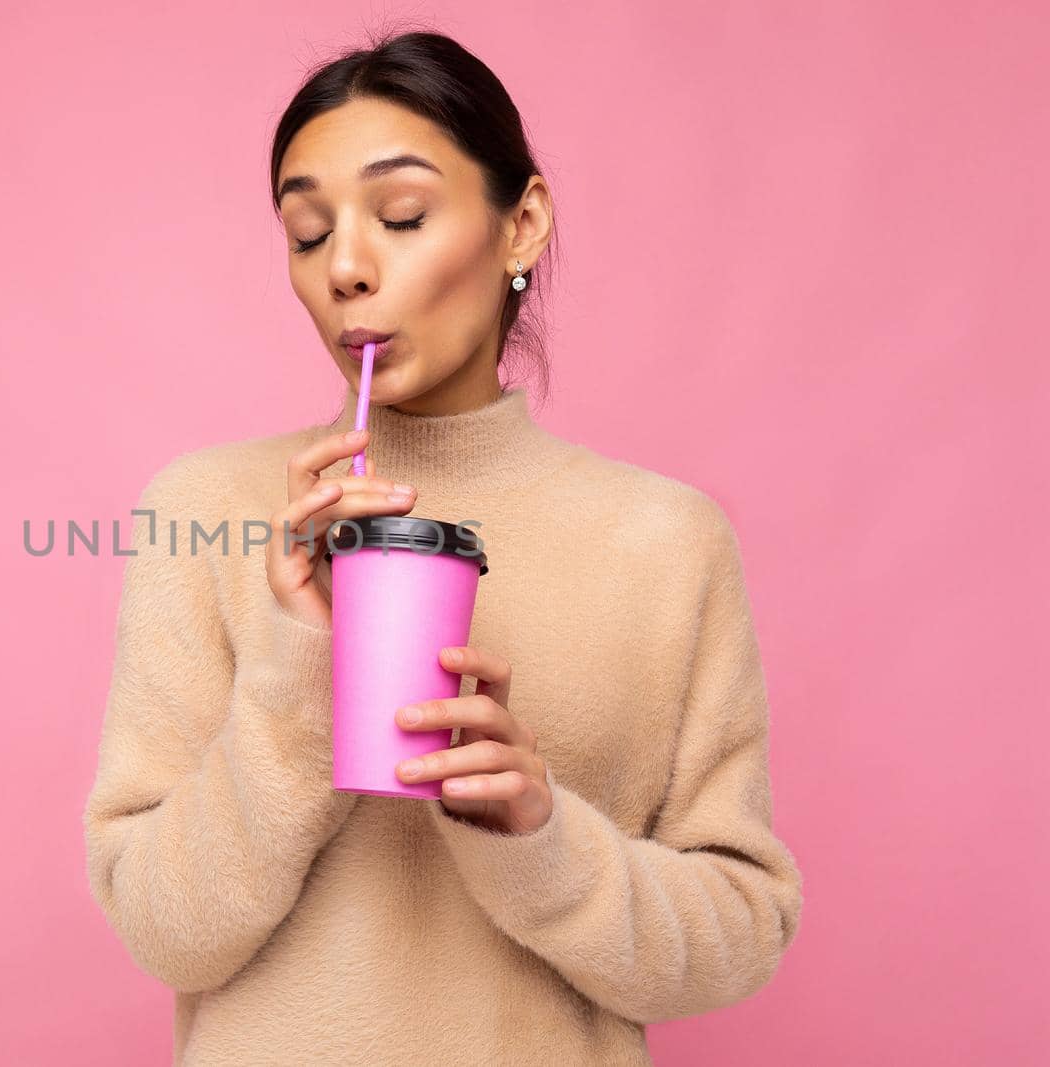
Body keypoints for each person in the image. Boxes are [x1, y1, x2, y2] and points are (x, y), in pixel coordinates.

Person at [82, 29, 803, 1066]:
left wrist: (539, 835)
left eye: (402, 215)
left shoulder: (664, 538)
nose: (346, 268)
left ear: (523, 225)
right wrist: (298, 680)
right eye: (305, 232)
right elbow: (165, 929)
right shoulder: (207, 508)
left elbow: (739, 933)